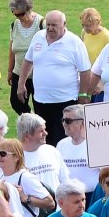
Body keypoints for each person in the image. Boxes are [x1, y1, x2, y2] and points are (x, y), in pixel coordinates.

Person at [21, 9, 92, 138]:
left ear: (64, 24)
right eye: (48, 25)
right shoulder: (38, 37)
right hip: (40, 99)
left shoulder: (74, 42)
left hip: (65, 100)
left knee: (62, 137)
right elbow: (28, 61)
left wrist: (83, 94)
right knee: (43, 138)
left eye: (54, 25)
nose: (50, 28)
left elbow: (85, 70)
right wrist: (21, 84)